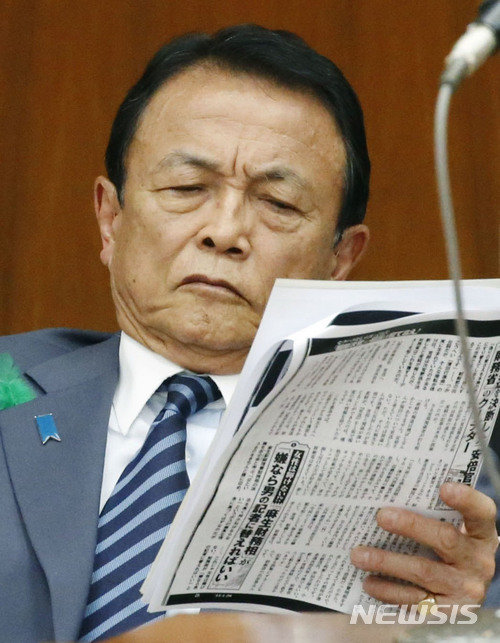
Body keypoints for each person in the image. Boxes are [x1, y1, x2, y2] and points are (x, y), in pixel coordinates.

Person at [0, 24, 497, 643]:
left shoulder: (439, 483)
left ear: (340, 259)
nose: (225, 232)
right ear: (110, 219)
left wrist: (449, 625)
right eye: (187, 188)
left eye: (279, 205)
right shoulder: (9, 389)